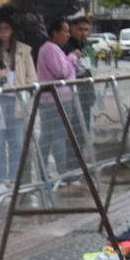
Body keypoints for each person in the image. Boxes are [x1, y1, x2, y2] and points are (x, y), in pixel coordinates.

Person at [0, 14, 37, 190]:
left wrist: (26, 91)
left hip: (18, 101)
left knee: (17, 142)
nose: (3, 32)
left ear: (12, 30)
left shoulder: (24, 50)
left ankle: (15, 178)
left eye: (6, 28)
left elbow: (31, 76)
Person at [36, 18, 79, 176]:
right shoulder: (51, 49)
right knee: (57, 135)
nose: (68, 35)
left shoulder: (52, 48)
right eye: (65, 31)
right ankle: (62, 171)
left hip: (55, 98)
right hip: (56, 99)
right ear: (55, 33)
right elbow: (61, 72)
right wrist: (73, 57)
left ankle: (44, 170)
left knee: (48, 135)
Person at [65, 16, 98, 155]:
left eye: (86, 30)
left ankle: (81, 158)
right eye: (79, 29)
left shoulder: (87, 46)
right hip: (71, 94)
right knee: (72, 129)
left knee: (84, 127)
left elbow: (91, 67)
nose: (83, 33)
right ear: (72, 29)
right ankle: (71, 161)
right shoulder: (66, 46)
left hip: (86, 92)